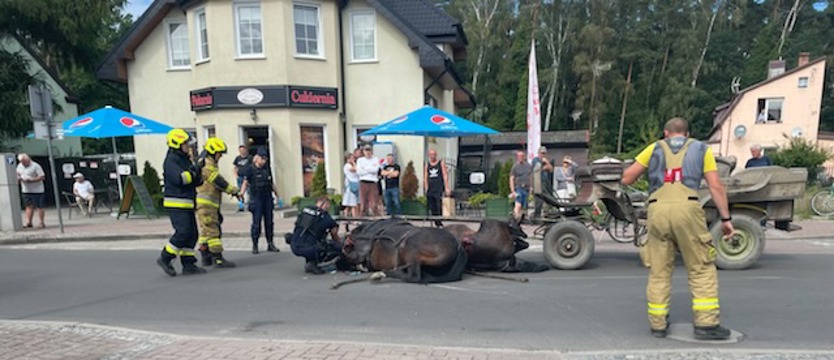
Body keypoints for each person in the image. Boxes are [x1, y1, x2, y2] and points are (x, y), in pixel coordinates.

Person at [622, 117, 734, 340]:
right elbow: (715, 186)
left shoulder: (653, 148)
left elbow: (626, 178)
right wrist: (725, 218)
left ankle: (658, 325)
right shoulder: (702, 149)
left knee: (659, 271)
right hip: (688, 210)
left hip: (657, 211)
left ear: (665, 133)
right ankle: (706, 325)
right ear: (688, 133)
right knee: (701, 267)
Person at [156, 129, 205, 276]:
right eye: (185, 144)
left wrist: (197, 173)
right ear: (177, 144)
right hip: (176, 203)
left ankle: (188, 264)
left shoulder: (184, 159)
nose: (187, 146)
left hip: (187, 202)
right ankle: (165, 258)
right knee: (183, 232)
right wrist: (194, 171)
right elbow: (181, 179)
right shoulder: (171, 160)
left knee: (192, 234)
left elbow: (194, 180)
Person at [196, 138, 242, 268]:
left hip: (206, 204)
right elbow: (217, 180)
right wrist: (233, 190)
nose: (221, 155)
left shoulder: (205, 162)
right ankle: (218, 258)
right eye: (219, 153)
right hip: (207, 204)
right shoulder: (207, 164)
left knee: (205, 231)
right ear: (212, 152)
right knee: (212, 230)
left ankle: (206, 256)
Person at [288, 196, 343, 274]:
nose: (328, 208)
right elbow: (334, 235)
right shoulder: (326, 217)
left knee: (311, 238)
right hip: (309, 248)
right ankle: (313, 263)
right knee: (334, 247)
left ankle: (310, 261)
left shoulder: (305, 210)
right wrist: (340, 245)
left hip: (294, 245)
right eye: (328, 205)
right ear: (326, 204)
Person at [240, 148, 280, 254]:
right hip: (256, 198)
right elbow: (245, 182)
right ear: (257, 158)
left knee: (269, 222)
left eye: (265, 159)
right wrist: (241, 194)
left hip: (267, 198)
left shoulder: (267, 168)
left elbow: (271, 183)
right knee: (256, 223)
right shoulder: (250, 169)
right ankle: (255, 245)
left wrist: (277, 195)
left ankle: (270, 243)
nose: (264, 161)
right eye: (262, 159)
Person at [16, 154, 46, 228]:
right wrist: (19, 179)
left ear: (28, 159)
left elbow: (42, 177)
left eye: (25, 162)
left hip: (38, 190)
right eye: (22, 162)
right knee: (28, 206)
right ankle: (29, 222)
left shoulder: (36, 166)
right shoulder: (19, 166)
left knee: (40, 206)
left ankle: (41, 222)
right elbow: (17, 174)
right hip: (26, 190)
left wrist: (32, 180)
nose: (23, 163)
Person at [424, 149, 450, 227]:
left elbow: (445, 175)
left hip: (438, 187)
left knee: (438, 204)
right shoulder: (427, 165)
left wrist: (447, 187)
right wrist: (426, 187)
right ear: (429, 155)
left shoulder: (440, 163)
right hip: (431, 188)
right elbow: (425, 177)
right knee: (432, 206)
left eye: (434, 154)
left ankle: (439, 221)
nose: (432, 156)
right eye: (431, 154)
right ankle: (435, 221)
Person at [356, 145, 381, 217]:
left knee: (374, 204)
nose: (368, 152)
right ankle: (362, 219)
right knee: (363, 203)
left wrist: (365, 168)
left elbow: (375, 170)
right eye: (366, 150)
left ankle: (376, 219)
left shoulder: (375, 159)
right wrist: (370, 169)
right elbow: (359, 172)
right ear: (363, 152)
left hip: (373, 183)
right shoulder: (360, 160)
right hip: (363, 182)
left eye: (369, 150)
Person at [532, 147, 554, 219]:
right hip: (538, 182)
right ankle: (536, 217)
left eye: (544, 153)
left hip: (545, 183)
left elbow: (551, 170)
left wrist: (547, 163)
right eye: (542, 153)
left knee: (548, 199)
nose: (543, 155)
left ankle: (548, 215)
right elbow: (537, 169)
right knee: (539, 201)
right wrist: (544, 167)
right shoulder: (535, 160)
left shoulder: (546, 160)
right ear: (539, 153)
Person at [509, 150, 532, 220]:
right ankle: (515, 218)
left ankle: (520, 219)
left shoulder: (528, 166)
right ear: (517, 157)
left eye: (522, 156)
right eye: (519, 156)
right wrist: (513, 190)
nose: (520, 157)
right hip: (519, 187)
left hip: (527, 188)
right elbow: (511, 178)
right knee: (518, 204)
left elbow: (531, 176)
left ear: (524, 157)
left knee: (524, 206)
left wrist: (531, 187)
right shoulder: (515, 167)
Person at [232, 145, 252, 212]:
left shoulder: (250, 157)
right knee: (240, 193)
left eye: (243, 150)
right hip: (240, 177)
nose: (241, 152)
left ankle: (251, 205)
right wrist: (236, 175)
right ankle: (241, 206)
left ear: (246, 150)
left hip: (248, 178)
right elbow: (235, 167)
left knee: (250, 192)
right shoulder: (237, 158)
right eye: (240, 150)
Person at [342, 152, 360, 218]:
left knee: (350, 204)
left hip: (355, 184)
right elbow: (355, 169)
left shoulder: (352, 165)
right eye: (352, 158)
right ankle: (354, 218)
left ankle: (346, 216)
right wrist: (354, 163)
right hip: (350, 186)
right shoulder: (347, 165)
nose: (354, 159)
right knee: (352, 204)